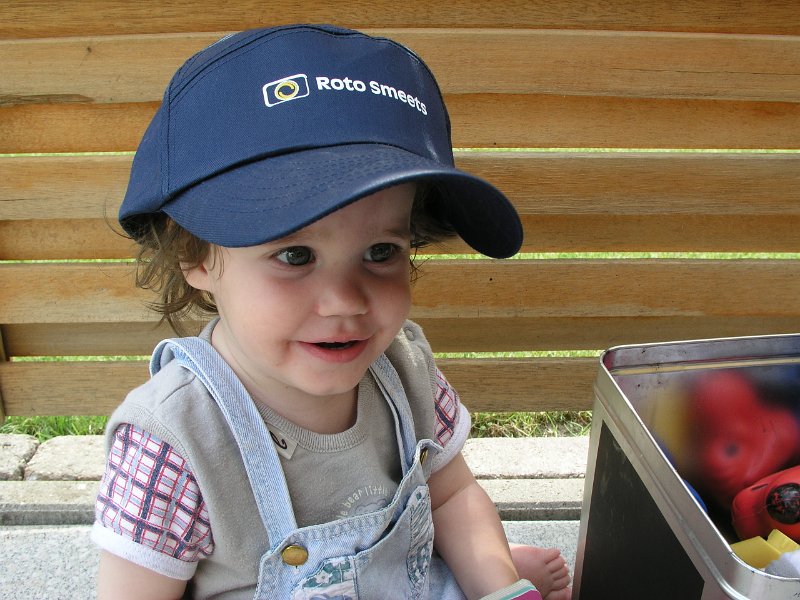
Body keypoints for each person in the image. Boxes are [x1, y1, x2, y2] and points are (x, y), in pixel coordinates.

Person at [91, 24, 572, 600]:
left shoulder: (405, 370)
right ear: (193, 253)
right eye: (295, 255)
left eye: (381, 252)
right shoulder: (174, 442)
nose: (345, 300)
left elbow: (451, 496)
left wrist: (498, 587)